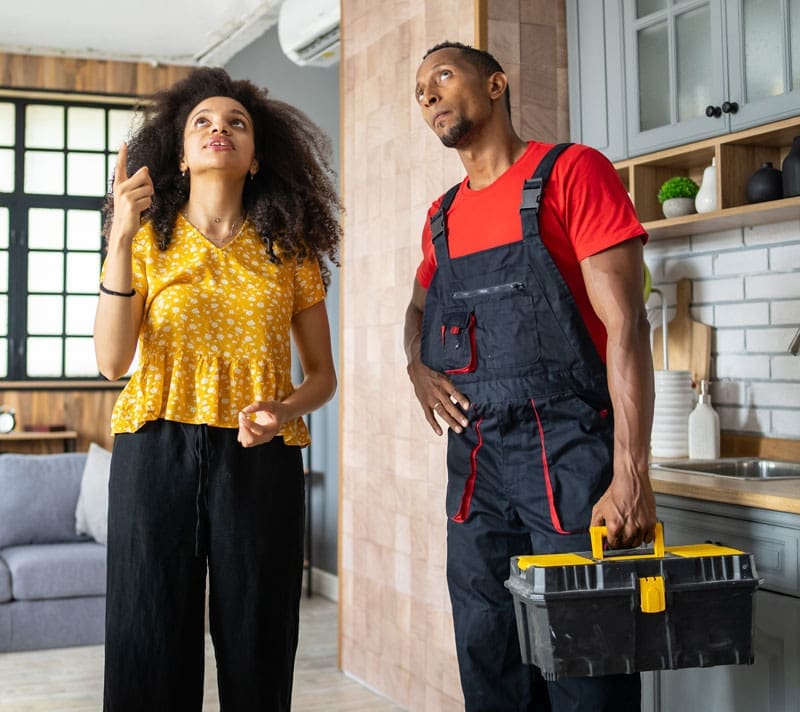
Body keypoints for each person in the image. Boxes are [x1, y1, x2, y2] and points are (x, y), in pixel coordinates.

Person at [404, 41, 657, 711]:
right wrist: (416, 365)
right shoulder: (442, 216)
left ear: (497, 85)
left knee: (587, 665)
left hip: (569, 451)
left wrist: (631, 472)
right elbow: (419, 306)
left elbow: (628, 327)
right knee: (488, 655)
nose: (426, 94)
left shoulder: (572, 171)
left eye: (443, 76)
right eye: (419, 88)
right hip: (476, 461)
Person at [94, 67, 340, 711]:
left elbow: (322, 377)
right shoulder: (145, 242)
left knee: (259, 635)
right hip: (154, 450)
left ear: (257, 157)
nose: (218, 129)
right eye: (202, 121)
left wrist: (282, 408)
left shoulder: (291, 251)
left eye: (236, 122)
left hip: (259, 458)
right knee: (148, 635)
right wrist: (119, 234)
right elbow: (111, 361)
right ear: (180, 153)